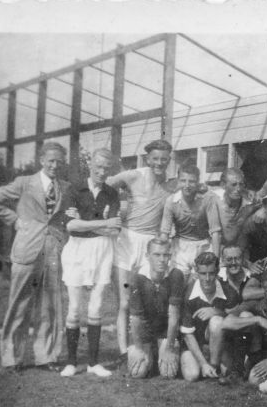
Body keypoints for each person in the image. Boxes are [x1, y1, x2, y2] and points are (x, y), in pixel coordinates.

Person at [0, 142, 74, 372]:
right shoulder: (24, 183)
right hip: (27, 249)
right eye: (51, 160)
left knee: (49, 306)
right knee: (19, 304)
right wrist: (14, 220)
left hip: (53, 251)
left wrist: (67, 221)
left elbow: (64, 217)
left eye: (59, 161)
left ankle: (46, 356)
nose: (55, 165)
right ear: (41, 160)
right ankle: (12, 358)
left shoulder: (65, 187)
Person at [106, 139, 175, 365]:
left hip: (150, 244)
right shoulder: (133, 176)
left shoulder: (171, 185)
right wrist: (114, 209)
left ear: (169, 160)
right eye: (155, 158)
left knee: (150, 298)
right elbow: (105, 184)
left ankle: (148, 346)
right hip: (127, 241)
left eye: (164, 159)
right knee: (125, 301)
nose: (159, 163)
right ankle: (123, 351)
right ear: (147, 159)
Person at [59, 148, 121, 378]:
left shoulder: (112, 193)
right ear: (90, 165)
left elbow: (115, 229)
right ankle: (71, 362)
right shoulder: (74, 189)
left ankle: (94, 363)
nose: (102, 172)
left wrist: (84, 223)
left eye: (106, 168)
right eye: (98, 167)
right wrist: (102, 222)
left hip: (103, 250)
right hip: (77, 250)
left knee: (95, 307)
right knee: (74, 308)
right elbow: (70, 226)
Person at [223, 268, 267, 385]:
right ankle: (238, 371)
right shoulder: (258, 304)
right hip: (263, 352)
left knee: (254, 380)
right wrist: (257, 319)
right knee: (245, 316)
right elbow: (227, 322)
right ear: (263, 291)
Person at [126, 238, 184, 379]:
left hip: (165, 332)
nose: (162, 260)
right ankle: (149, 352)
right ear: (147, 256)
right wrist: (139, 349)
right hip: (144, 331)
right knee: (138, 373)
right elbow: (136, 318)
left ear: (170, 256)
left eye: (165, 255)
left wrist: (169, 348)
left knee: (168, 374)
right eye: (157, 255)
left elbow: (174, 316)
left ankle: (160, 351)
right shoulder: (136, 278)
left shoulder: (176, 275)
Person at [179, 252, 240, 382]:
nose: (207, 278)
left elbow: (237, 320)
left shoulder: (228, 290)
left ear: (217, 272)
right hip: (195, 342)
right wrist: (203, 364)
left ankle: (214, 365)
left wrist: (217, 312)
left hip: (220, 343)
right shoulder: (188, 293)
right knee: (192, 375)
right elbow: (188, 335)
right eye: (203, 273)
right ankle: (205, 363)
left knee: (216, 321)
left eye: (211, 273)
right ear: (196, 272)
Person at [160, 163, 222, 277]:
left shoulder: (207, 199)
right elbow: (164, 233)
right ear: (178, 181)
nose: (187, 185)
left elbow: (215, 232)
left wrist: (216, 261)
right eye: (183, 181)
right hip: (180, 247)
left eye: (192, 181)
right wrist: (162, 257)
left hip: (203, 245)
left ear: (198, 182)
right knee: (177, 280)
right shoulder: (171, 201)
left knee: (201, 281)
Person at [214, 167, 260, 247]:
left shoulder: (249, 202)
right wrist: (244, 214)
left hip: (240, 247)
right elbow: (228, 237)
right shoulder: (215, 198)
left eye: (241, 184)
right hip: (217, 245)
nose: (238, 189)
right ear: (223, 185)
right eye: (234, 185)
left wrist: (262, 209)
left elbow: (266, 204)